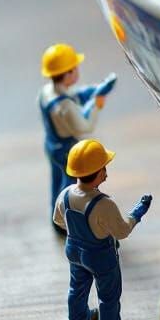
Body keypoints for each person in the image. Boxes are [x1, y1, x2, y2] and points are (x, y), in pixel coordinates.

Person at [53, 139, 151, 320]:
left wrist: (78, 233)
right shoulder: (104, 204)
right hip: (100, 256)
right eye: (103, 167)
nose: (106, 171)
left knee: (77, 287)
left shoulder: (65, 195)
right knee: (108, 294)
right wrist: (137, 213)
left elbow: (58, 221)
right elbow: (122, 231)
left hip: (74, 251)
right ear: (96, 172)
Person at [38, 43, 116, 223]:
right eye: (74, 69)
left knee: (55, 181)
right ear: (67, 74)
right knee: (70, 188)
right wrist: (97, 103)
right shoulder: (65, 107)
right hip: (66, 150)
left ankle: (54, 214)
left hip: (51, 144)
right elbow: (84, 126)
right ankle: (66, 221)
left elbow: (72, 94)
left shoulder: (46, 92)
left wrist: (92, 91)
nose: (77, 71)